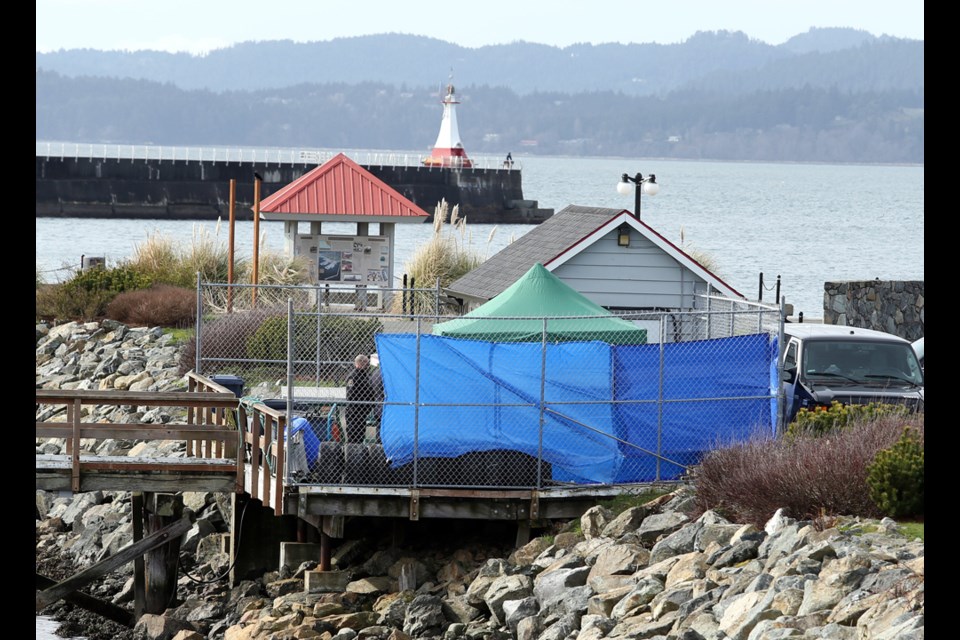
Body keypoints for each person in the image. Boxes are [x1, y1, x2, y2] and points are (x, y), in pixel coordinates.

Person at [344, 354, 375, 443]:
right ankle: (352, 454)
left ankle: (359, 454)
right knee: (353, 437)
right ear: (360, 363)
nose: (368, 365)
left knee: (360, 437)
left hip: (362, 412)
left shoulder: (364, 375)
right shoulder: (353, 376)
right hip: (354, 412)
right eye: (366, 362)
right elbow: (351, 395)